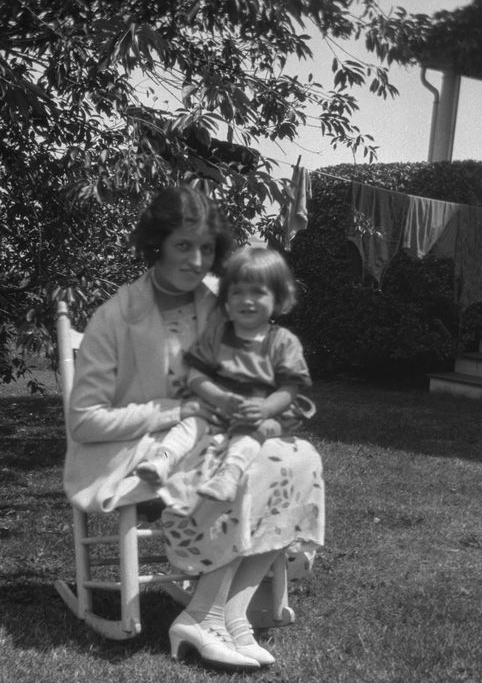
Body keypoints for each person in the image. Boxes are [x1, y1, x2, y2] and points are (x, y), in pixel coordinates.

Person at [66, 186, 324, 671]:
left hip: (212, 432)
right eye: (184, 245)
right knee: (244, 469)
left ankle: (233, 616)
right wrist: (173, 411)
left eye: (206, 248)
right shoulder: (116, 316)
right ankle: (204, 616)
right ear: (157, 243)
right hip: (132, 453)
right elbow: (83, 421)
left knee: (298, 457)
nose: (197, 258)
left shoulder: (219, 304)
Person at [136, 245, 315, 507]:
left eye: (257, 292)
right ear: (226, 300)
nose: (246, 300)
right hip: (219, 408)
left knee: (251, 432)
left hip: (262, 413)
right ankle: (163, 459)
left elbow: (290, 388)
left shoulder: (283, 342)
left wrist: (265, 408)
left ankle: (229, 474)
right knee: (191, 422)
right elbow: (196, 376)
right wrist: (220, 398)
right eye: (237, 292)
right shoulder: (216, 336)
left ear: (278, 299)